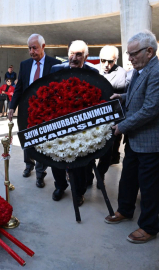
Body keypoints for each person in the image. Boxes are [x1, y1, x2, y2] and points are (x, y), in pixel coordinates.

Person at [104, 30, 159, 244]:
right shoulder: (140, 68)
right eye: (128, 54)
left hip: (154, 141)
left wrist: (121, 127)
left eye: (133, 54)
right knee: (128, 178)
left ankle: (149, 227)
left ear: (149, 51)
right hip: (137, 138)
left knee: (149, 187)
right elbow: (138, 93)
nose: (130, 58)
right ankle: (125, 210)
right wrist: (123, 96)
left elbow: (150, 109)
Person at [8, 33, 61, 188]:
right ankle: (28, 164)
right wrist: (12, 107)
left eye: (34, 48)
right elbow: (18, 89)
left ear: (43, 47)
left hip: (46, 113)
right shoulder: (25, 65)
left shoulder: (54, 64)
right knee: (27, 139)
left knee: (41, 142)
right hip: (27, 111)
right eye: (29, 48)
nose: (31, 51)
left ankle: (40, 173)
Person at [50, 40, 99, 205]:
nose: (74, 57)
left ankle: (79, 192)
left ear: (85, 56)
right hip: (58, 124)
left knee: (79, 163)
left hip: (82, 127)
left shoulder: (93, 73)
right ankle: (60, 186)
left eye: (79, 54)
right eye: (72, 53)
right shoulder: (55, 70)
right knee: (56, 159)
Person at [94, 45, 128, 168]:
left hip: (110, 119)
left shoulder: (121, 74)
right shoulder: (92, 69)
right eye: (103, 60)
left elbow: (123, 99)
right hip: (91, 118)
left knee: (107, 152)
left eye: (110, 61)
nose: (106, 64)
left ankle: (101, 174)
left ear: (116, 59)